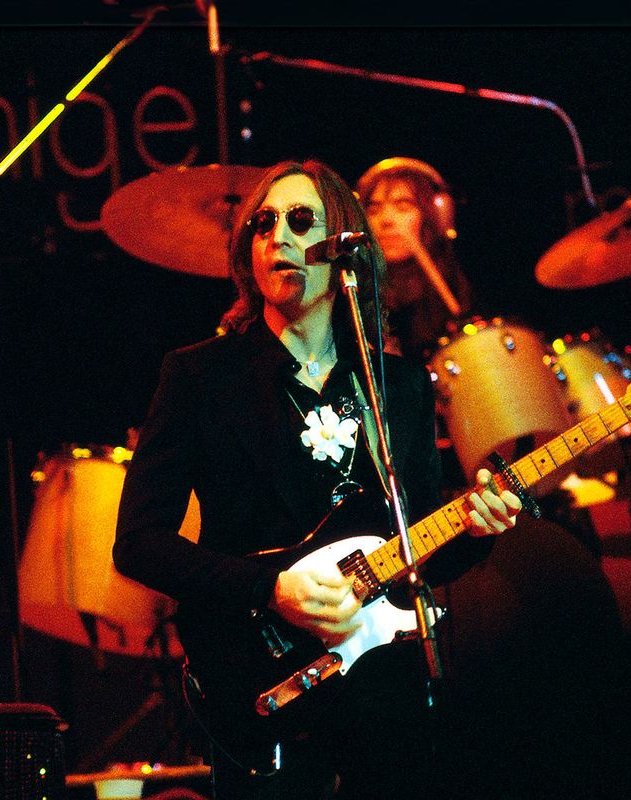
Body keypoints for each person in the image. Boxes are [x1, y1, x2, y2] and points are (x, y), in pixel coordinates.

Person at [112, 159, 524, 799]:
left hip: (380, 682)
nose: (277, 236)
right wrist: (268, 587)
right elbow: (138, 543)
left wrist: (476, 529)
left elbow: (415, 552)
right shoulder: (199, 377)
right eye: (262, 224)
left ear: (344, 252)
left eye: (301, 221)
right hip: (257, 676)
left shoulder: (400, 386)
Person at [354, 157, 474, 363]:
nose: (386, 220)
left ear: (433, 216)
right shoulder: (354, 291)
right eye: (373, 210)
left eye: (403, 206)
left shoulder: (460, 282)